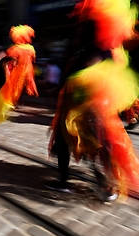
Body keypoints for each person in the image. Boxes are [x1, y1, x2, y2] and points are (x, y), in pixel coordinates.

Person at [45, 0, 139, 202]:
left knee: (74, 139)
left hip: (83, 96)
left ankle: (76, 182)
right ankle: (104, 183)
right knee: (93, 140)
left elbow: (86, 63)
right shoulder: (100, 41)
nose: (80, 20)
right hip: (87, 96)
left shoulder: (93, 39)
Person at [0, 25, 38, 122]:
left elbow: (6, 53)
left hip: (19, 71)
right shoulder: (30, 48)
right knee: (19, 88)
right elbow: (32, 59)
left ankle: (13, 103)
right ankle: (16, 103)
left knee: (13, 88)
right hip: (27, 71)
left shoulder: (16, 48)